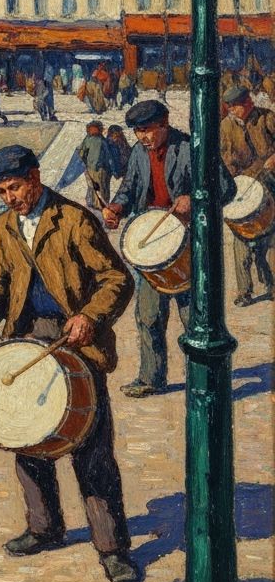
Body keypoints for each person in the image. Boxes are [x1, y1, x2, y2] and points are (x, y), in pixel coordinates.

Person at [0, 145, 138, 582]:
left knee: (91, 448)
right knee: (26, 438)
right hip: (26, 339)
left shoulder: (73, 220)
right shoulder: (4, 226)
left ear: (34, 177)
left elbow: (116, 279)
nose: (9, 198)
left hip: (77, 339)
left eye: (13, 187)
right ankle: (43, 527)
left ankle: (112, 549)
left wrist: (90, 316)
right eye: (0, 192)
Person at [104, 100, 235, 396]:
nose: (142, 138)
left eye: (147, 130)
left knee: (194, 321)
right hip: (153, 247)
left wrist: (194, 199)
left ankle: (204, 381)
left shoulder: (191, 149)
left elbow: (226, 189)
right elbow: (129, 188)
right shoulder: (138, 152)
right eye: (138, 132)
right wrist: (117, 207)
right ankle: (152, 378)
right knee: (148, 316)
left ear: (164, 123)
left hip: (188, 245)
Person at [219, 84, 275, 305]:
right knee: (241, 241)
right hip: (242, 188)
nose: (234, 111)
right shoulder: (225, 127)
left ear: (248, 102)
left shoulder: (267, 118)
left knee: (269, 241)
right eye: (230, 107)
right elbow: (225, 159)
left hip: (270, 185)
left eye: (237, 106)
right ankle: (244, 290)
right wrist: (234, 181)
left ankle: (272, 286)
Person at [76, 119, 118, 210]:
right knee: (102, 188)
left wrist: (85, 163)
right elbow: (109, 157)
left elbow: (81, 152)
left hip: (93, 168)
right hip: (100, 169)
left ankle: (95, 205)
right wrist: (114, 170)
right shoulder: (101, 141)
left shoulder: (88, 139)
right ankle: (101, 206)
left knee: (93, 187)